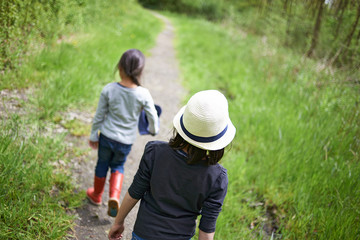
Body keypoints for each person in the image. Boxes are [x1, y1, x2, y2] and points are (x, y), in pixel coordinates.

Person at [108, 90, 236, 240]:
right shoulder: (217, 178)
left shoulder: (154, 152)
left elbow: (135, 192)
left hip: (143, 233)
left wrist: (118, 222)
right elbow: (207, 230)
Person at [87, 49, 159, 218]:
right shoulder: (143, 94)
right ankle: (113, 196)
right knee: (118, 166)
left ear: (119, 67)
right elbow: (153, 116)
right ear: (140, 71)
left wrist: (93, 135)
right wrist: (153, 130)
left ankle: (96, 195)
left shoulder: (109, 89)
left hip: (106, 136)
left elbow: (99, 115)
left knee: (102, 165)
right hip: (125, 141)